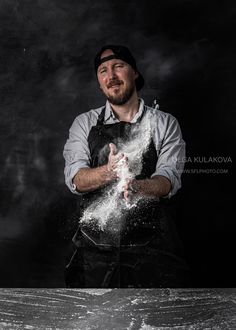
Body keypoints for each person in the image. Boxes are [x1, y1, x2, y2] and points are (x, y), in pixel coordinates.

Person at [63, 44, 190, 288]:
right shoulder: (84, 123)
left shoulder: (164, 123)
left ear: (135, 73)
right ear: (99, 83)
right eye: (103, 71)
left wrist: (137, 187)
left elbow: (168, 180)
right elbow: (76, 179)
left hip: (152, 249)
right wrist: (110, 172)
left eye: (118, 66)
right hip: (94, 251)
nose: (111, 76)